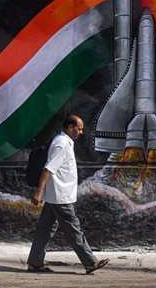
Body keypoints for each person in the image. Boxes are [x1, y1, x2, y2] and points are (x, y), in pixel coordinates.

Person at [26, 115, 110, 275]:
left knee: (45, 229)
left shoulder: (63, 142)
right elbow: (48, 169)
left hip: (56, 195)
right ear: (70, 128)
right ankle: (90, 262)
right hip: (60, 196)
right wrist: (39, 192)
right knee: (73, 228)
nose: (81, 132)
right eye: (79, 129)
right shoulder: (62, 144)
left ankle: (35, 262)